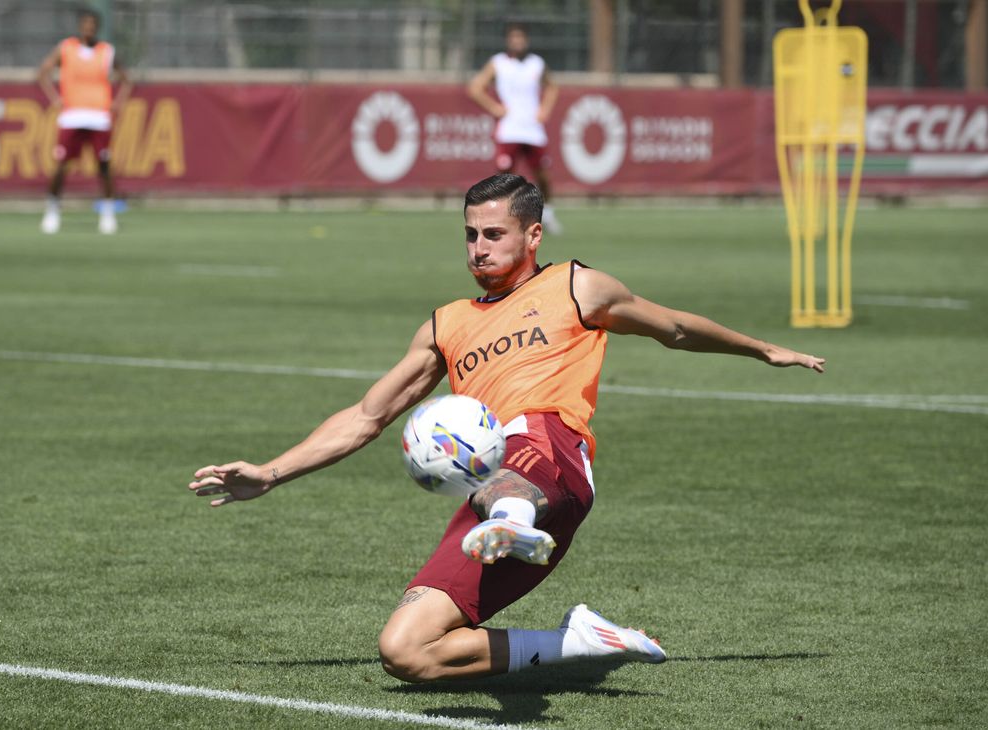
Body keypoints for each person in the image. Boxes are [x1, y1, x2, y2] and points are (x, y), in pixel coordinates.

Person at [188, 173, 825, 683]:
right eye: (469, 235)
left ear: (534, 235)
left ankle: (513, 523)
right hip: (488, 488)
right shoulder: (446, 324)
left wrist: (764, 349)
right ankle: (577, 642)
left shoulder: (576, 287)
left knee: (510, 452)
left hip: (552, 455)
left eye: (493, 233)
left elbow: (676, 328)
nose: (478, 248)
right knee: (405, 651)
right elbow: (365, 417)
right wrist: (270, 473)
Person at [37, 8, 132, 235]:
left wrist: (118, 103)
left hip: (99, 116)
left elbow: (126, 79)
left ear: (97, 27)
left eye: (93, 25)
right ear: (80, 26)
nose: (89, 28)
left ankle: (107, 214)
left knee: (104, 167)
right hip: (72, 115)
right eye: (85, 24)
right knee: (61, 165)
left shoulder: (106, 51)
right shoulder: (66, 48)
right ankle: (52, 211)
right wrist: (55, 99)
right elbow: (43, 71)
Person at [468, 23, 563, 234]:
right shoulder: (498, 63)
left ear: (526, 41)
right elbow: (475, 87)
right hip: (510, 128)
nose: (517, 42)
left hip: (532, 129)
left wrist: (545, 109)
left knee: (542, 175)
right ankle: (501, 218)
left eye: (521, 38)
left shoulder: (536, 63)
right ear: (508, 41)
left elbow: (552, 86)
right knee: (504, 176)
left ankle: (548, 214)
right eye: (514, 38)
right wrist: (494, 107)